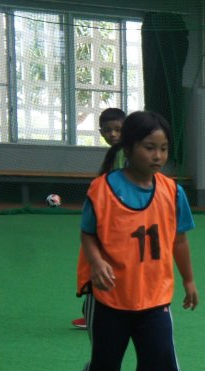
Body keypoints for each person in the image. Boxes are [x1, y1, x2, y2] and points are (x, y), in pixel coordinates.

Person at [75, 110, 199, 371]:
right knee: (102, 366)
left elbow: (179, 241)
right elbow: (88, 234)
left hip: (155, 297)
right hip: (111, 298)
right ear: (128, 148)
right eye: (149, 147)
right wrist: (97, 262)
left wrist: (188, 280)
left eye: (163, 148)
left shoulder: (172, 192)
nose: (158, 155)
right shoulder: (102, 189)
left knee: (166, 365)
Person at [72, 107, 127, 329]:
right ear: (100, 132)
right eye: (107, 130)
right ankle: (92, 311)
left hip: (115, 223)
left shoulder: (124, 153)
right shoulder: (116, 153)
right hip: (107, 221)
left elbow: (120, 187)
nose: (112, 134)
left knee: (101, 263)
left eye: (117, 130)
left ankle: (99, 313)